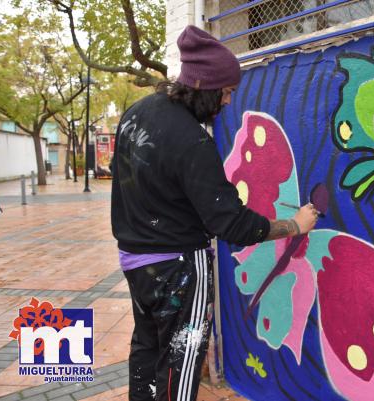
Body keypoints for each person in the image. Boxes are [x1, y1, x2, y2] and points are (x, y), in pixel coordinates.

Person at [110, 25, 319, 401]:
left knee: (147, 348)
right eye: (226, 93)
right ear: (206, 88)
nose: (227, 102)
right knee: (181, 361)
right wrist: (294, 225)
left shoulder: (136, 114)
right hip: (178, 268)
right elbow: (232, 224)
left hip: (135, 261)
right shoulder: (193, 141)